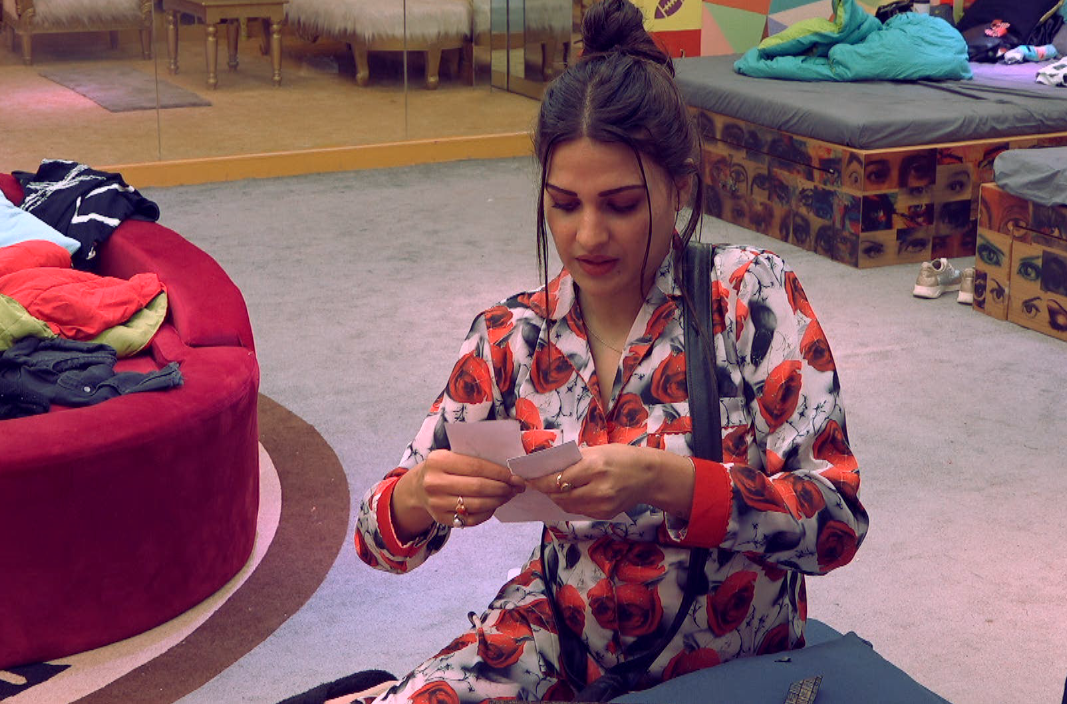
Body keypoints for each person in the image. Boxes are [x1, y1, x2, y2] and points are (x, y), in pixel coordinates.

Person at [352, 0, 869, 700]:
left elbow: (835, 522)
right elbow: (376, 540)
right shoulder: (512, 336)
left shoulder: (747, 296)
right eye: (564, 204)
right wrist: (419, 498)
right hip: (555, 641)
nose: (588, 235)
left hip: (725, 659)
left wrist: (665, 480)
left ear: (680, 186)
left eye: (621, 204)